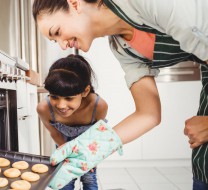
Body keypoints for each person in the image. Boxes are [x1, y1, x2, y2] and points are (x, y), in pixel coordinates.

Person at [32, 0, 208, 189]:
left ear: (74, 4)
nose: (62, 46)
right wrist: (92, 148)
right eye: (54, 41)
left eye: (57, 32)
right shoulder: (122, 47)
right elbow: (148, 114)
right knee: (203, 163)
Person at [37, 54, 108, 190]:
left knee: (89, 179)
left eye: (69, 98)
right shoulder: (44, 108)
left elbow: (98, 136)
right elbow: (55, 133)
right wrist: (68, 155)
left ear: (85, 91)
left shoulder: (98, 106)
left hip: (89, 148)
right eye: (54, 96)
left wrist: (89, 158)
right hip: (64, 146)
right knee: (64, 182)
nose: (61, 105)